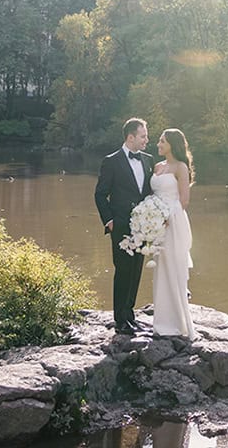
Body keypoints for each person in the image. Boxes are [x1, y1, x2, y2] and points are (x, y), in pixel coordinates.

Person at [94, 118, 154, 336]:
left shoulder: (148, 160)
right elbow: (100, 194)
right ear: (131, 137)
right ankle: (120, 320)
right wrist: (109, 221)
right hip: (120, 225)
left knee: (137, 269)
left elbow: (149, 193)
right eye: (143, 136)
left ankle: (130, 315)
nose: (147, 139)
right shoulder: (111, 161)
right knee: (123, 271)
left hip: (144, 226)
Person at [150, 128, 196, 339]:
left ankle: (178, 323)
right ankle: (161, 321)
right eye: (159, 140)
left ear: (172, 145)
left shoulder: (181, 167)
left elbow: (184, 201)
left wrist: (166, 215)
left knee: (174, 268)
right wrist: (151, 215)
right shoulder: (158, 166)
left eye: (162, 141)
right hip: (157, 222)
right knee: (161, 268)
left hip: (174, 221)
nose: (158, 144)